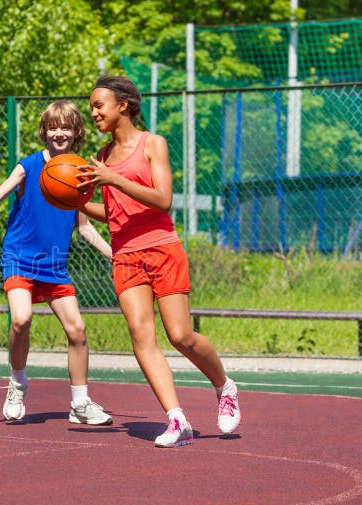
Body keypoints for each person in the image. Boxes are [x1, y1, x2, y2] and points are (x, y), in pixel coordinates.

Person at [79, 75, 241, 447]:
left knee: (181, 336)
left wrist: (112, 179)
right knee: (141, 337)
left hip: (161, 247)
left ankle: (225, 386)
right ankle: (177, 419)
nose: (93, 112)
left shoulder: (152, 144)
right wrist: (75, 204)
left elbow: (163, 198)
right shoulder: (102, 157)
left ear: (123, 105)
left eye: (98, 105)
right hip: (125, 253)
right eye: (91, 106)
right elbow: (114, 211)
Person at [0, 100, 113, 425]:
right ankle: (18, 383)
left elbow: (85, 227)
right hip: (19, 257)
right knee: (21, 319)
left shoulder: (77, 174)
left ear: (77, 132)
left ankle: (80, 403)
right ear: (44, 132)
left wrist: (113, 254)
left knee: (77, 329)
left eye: (65, 127)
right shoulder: (30, 164)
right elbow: (2, 189)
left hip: (53, 266)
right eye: (53, 127)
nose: (59, 132)